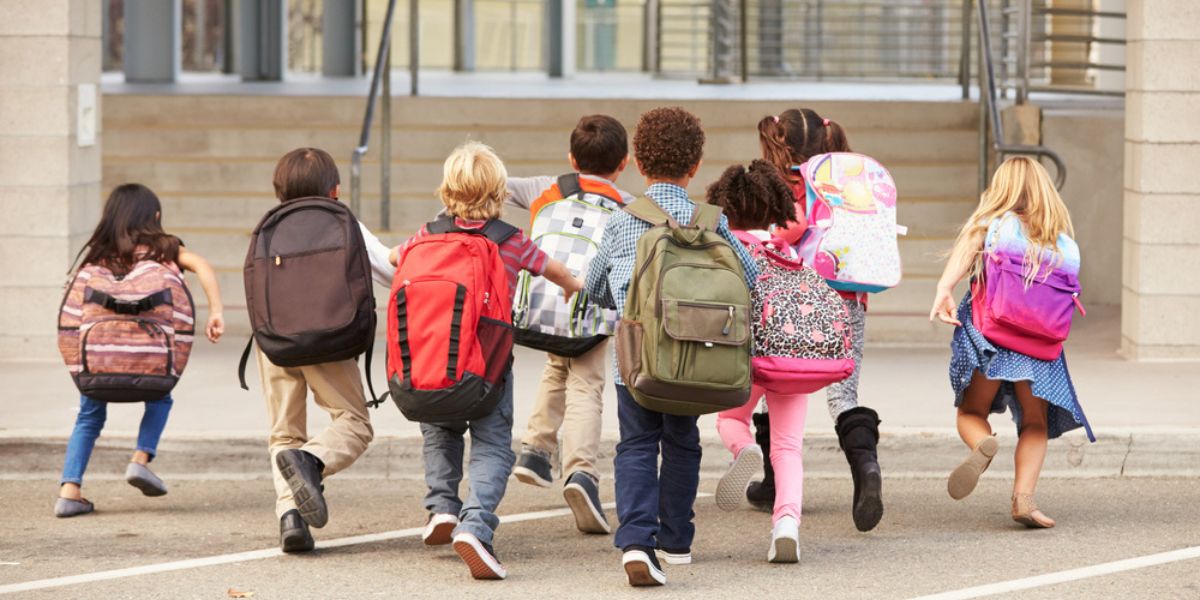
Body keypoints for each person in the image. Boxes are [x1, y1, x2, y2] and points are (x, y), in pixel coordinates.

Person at [391, 141, 584, 580]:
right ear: (498, 192)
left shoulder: (427, 234)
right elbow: (552, 269)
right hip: (487, 371)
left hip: (433, 365)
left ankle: (441, 506)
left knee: (440, 432)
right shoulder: (510, 241)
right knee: (493, 444)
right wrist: (573, 284)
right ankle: (475, 524)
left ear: (447, 190)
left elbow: (393, 258)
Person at [585, 107, 759, 587]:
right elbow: (752, 278)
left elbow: (595, 285)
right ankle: (677, 542)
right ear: (694, 165)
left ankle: (637, 541)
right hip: (696, 358)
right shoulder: (712, 223)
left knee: (637, 444)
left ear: (639, 163)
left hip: (637, 362)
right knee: (682, 443)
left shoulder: (624, 221)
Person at [930, 156, 1092, 529]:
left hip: (992, 336)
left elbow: (968, 245)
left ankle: (982, 444)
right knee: (1035, 422)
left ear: (1001, 189)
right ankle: (1024, 500)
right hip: (1041, 346)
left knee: (972, 412)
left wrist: (944, 289)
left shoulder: (993, 226)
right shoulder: (1061, 242)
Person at [253, 148, 395, 552]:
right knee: (354, 423)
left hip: (274, 341)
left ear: (279, 188)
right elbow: (390, 270)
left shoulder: (269, 227)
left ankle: (290, 518)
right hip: (329, 340)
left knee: (284, 434)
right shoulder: (343, 221)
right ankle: (312, 462)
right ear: (335, 189)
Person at [55, 183, 225, 518]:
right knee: (160, 398)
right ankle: (140, 459)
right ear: (155, 217)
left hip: (99, 360)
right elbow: (202, 265)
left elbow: (72, 313)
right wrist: (216, 310)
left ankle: (69, 491)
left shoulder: (96, 255)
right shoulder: (165, 250)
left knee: (88, 416)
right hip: (151, 361)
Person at [751, 108, 884, 534]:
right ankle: (866, 467)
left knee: (777, 382)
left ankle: (775, 481)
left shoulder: (775, 187)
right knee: (844, 395)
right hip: (846, 298)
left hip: (791, 299)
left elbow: (780, 233)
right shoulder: (847, 185)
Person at [505, 114, 634, 535]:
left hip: (541, 303)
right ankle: (581, 474)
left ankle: (536, 449)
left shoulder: (546, 188)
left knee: (557, 364)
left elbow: (495, 184)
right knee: (586, 386)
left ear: (571, 158)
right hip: (590, 306)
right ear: (624, 163)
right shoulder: (627, 205)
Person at [708, 160, 812, 563]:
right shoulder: (786, 251)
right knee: (788, 447)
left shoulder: (724, 248)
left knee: (731, 419)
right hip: (789, 360)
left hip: (741, 357)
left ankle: (744, 449)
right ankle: (786, 525)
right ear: (774, 208)